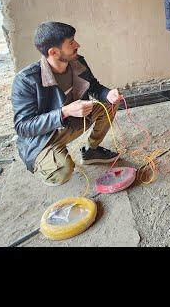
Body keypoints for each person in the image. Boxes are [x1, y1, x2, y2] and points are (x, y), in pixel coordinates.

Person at [11, 21, 122, 186]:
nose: (77, 45)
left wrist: (108, 94)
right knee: (62, 172)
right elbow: (23, 127)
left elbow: (94, 87)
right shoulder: (26, 80)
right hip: (46, 137)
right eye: (71, 43)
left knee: (109, 104)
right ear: (54, 52)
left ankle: (91, 151)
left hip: (73, 122)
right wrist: (64, 112)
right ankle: (46, 161)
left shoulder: (78, 63)